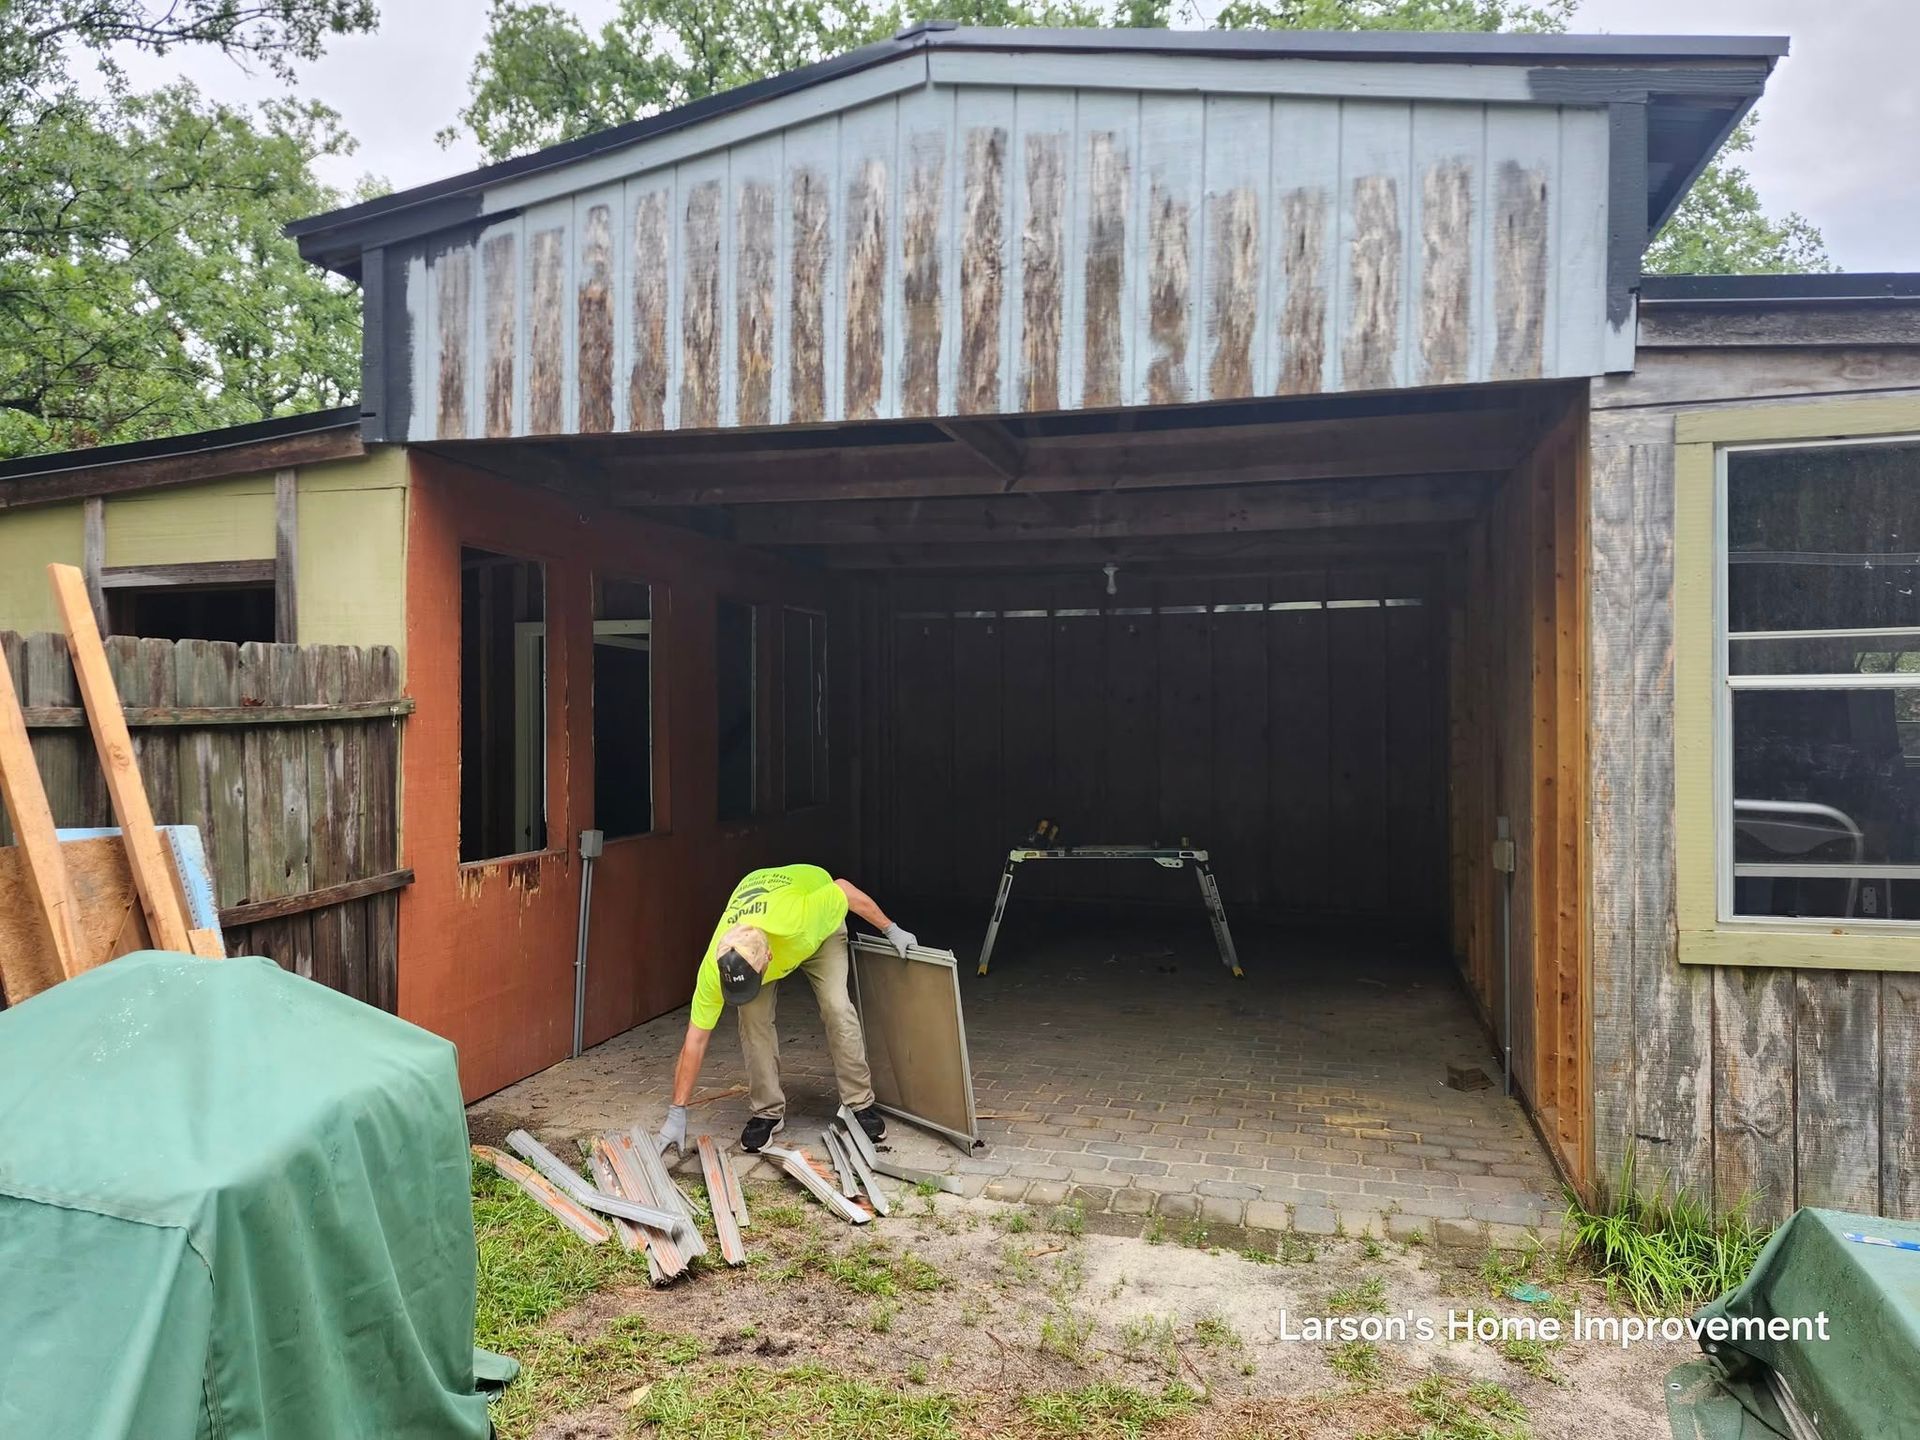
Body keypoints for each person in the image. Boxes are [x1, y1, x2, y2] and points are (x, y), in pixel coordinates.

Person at [653, 863, 917, 1156]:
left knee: (837, 1007)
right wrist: (677, 1110)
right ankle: (767, 1112)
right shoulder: (717, 965)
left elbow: (843, 888)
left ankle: (859, 1103)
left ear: (769, 957)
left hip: (819, 931)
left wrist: (891, 930)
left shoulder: (800, 918)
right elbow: (695, 1040)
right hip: (762, 907)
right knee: (751, 1017)